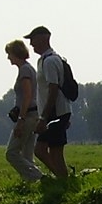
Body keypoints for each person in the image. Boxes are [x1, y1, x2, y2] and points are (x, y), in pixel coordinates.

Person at [25, 26, 72, 178]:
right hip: (55, 113)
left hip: (55, 113)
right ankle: (62, 179)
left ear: (43, 38)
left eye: (33, 39)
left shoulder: (50, 61)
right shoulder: (44, 60)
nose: (31, 44)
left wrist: (43, 117)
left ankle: (64, 181)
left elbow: (53, 89)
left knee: (53, 151)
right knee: (43, 150)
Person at [4, 39, 44, 181]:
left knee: (11, 153)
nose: (8, 58)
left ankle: (39, 178)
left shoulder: (25, 70)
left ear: (15, 53)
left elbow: (27, 96)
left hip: (27, 117)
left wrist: (21, 120)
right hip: (34, 115)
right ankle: (33, 183)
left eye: (9, 54)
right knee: (27, 155)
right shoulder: (28, 69)